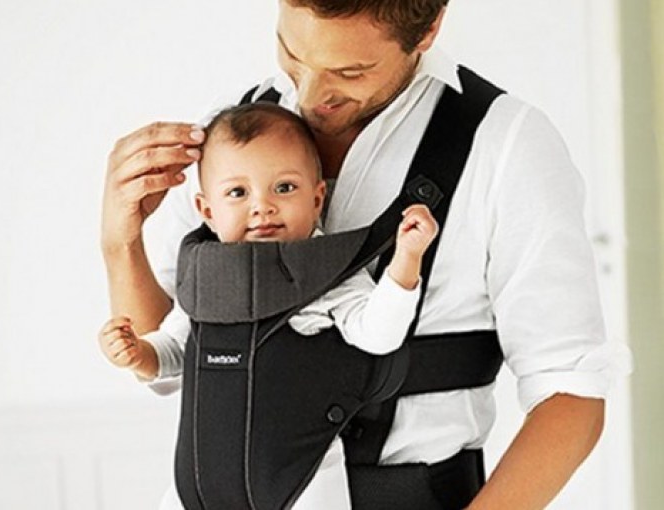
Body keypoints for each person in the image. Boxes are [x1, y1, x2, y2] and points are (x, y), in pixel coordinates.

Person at [101, 0, 630, 508]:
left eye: (349, 72)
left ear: (427, 28)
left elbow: (571, 396)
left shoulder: (506, 144)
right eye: (291, 53)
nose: (308, 96)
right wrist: (120, 240)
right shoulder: (228, 138)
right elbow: (169, 365)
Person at [99, 102, 439, 509]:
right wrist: (140, 353)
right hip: (201, 481)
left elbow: (378, 336)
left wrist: (406, 261)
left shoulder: (327, 270)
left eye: (284, 188)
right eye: (238, 193)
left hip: (304, 477)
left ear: (317, 199)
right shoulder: (207, 273)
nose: (262, 206)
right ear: (207, 211)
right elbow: (176, 350)